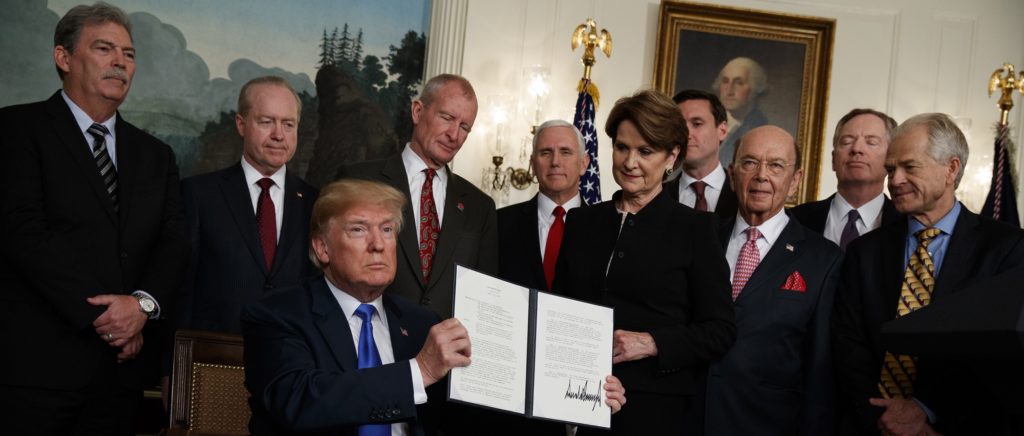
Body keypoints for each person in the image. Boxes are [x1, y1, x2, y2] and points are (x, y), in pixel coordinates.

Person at [242, 179, 626, 435]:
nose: (378, 243)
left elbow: (479, 412)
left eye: (388, 229)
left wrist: (581, 398)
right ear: (322, 248)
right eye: (359, 229)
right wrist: (420, 370)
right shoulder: (277, 315)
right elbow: (299, 401)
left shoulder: (422, 323)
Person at [0, 3, 189, 434]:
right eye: (104, 48)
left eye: (129, 53)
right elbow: (23, 232)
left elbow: (174, 241)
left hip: (119, 378)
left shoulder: (156, 156)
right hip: (35, 373)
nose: (120, 62)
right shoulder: (15, 130)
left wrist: (141, 307)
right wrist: (111, 320)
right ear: (63, 58)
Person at [554, 89, 736, 435]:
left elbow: (720, 331)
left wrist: (651, 342)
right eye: (622, 147)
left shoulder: (697, 229)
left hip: (657, 412)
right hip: (578, 401)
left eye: (645, 151)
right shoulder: (582, 222)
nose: (629, 162)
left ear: (672, 156)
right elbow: (560, 311)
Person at [832, 113, 1024, 435]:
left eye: (910, 167)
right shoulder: (864, 252)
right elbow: (848, 344)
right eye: (891, 169)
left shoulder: (1006, 249)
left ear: (951, 169)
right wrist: (883, 415)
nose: (894, 181)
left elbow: (1001, 357)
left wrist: (926, 412)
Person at [695, 125, 842, 435]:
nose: (761, 175)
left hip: (768, 425)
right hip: (689, 420)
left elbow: (820, 373)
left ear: (795, 181)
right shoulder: (699, 239)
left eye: (776, 165)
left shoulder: (823, 259)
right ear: (733, 175)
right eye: (750, 163)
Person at [337, 74, 498, 319]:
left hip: (446, 351)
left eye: (464, 127)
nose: (454, 135)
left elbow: (486, 296)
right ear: (417, 111)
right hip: (368, 340)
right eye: (447, 118)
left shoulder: (480, 206)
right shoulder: (359, 180)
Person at [177, 76, 318, 335]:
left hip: (290, 359)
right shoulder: (200, 194)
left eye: (288, 124)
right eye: (266, 122)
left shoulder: (315, 202)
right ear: (241, 125)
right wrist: (170, 366)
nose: (278, 135)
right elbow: (180, 285)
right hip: (213, 355)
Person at [498, 119, 589, 291]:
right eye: (546, 153)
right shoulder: (498, 223)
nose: (555, 161)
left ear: (584, 163)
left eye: (565, 152)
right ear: (532, 165)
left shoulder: (603, 227)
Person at [791, 109, 902, 249]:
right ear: (833, 159)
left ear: (890, 159)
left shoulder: (907, 224)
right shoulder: (795, 220)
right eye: (847, 141)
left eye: (871, 142)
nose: (857, 148)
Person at [664, 89, 739, 220]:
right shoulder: (658, 195)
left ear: (722, 130)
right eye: (680, 126)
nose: (686, 134)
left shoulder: (742, 195)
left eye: (697, 124)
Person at [713, 57, 769, 166]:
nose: (729, 91)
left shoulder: (759, 129)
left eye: (739, 83)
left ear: (754, 89)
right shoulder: (709, 123)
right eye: (725, 81)